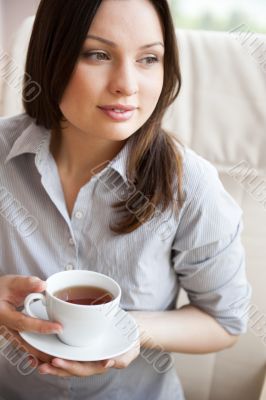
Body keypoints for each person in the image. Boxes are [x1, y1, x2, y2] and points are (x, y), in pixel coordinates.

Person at [0, 0, 251, 399]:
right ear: (53, 55)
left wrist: (130, 330)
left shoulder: (192, 185)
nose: (127, 84)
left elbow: (225, 322)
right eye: (98, 54)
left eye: (149, 58)